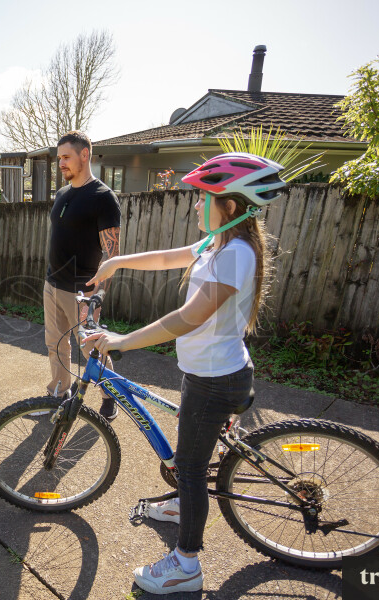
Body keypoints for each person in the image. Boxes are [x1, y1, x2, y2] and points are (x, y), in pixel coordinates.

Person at [84, 152, 286, 594]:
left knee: (191, 468)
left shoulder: (235, 254)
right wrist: (116, 263)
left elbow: (188, 317)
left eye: (202, 197)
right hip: (207, 374)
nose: (195, 205)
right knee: (189, 452)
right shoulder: (218, 244)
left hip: (216, 381)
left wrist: (120, 341)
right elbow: (168, 258)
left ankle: (185, 565)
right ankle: (181, 505)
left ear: (228, 206)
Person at [44, 130, 121, 421]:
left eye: (66, 157)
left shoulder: (103, 197)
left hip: (82, 291)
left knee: (92, 347)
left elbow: (111, 254)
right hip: (52, 283)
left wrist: (99, 294)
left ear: (84, 155)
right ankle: (60, 394)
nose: (61, 163)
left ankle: (109, 396)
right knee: (55, 344)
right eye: (59, 157)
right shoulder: (63, 193)